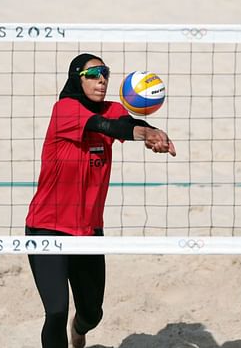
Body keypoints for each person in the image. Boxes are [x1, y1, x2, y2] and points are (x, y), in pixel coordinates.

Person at [25, 53, 176, 348]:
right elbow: (108, 128)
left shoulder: (113, 109)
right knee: (56, 311)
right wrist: (142, 131)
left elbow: (126, 123)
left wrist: (152, 134)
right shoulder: (65, 110)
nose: (102, 79)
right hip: (47, 228)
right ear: (76, 78)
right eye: (93, 74)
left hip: (88, 232)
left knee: (92, 314)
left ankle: (79, 331)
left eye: (104, 73)